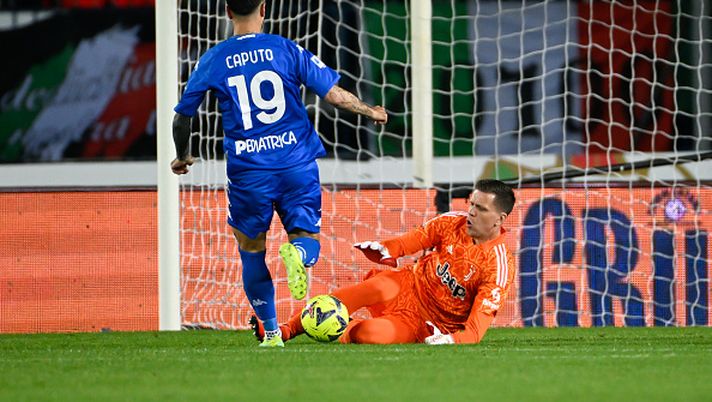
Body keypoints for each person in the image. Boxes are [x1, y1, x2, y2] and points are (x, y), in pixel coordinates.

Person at [171, 0, 388, 348]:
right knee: (306, 237)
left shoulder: (212, 59)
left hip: (248, 174)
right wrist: (370, 111)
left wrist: (182, 156)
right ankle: (298, 255)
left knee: (251, 249)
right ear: (264, 8)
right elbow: (332, 94)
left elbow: (183, 116)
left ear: (227, 12)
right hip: (296, 165)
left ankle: (272, 333)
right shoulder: (285, 48)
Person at [252, 179, 517, 344]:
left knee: (368, 335)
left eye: (480, 209)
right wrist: (385, 249)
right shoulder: (452, 222)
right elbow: (409, 242)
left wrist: (449, 340)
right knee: (371, 289)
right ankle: (283, 331)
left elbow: (474, 332)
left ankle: (338, 326)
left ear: (500, 218)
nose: (471, 212)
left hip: (423, 322)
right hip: (407, 285)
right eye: (472, 203)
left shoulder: (498, 267)